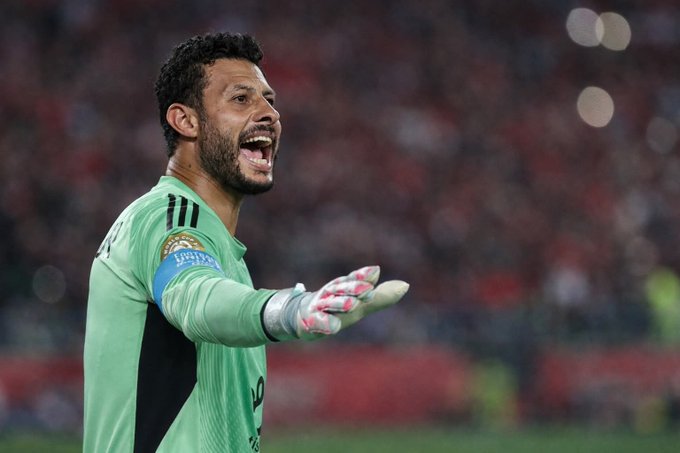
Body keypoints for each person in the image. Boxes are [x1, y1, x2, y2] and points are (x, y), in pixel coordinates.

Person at [82, 32, 408, 453]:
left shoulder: (225, 255)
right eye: (241, 99)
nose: (269, 113)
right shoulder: (165, 216)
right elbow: (194, 297)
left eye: (269, 100)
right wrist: (288, 310)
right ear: (186, 121)